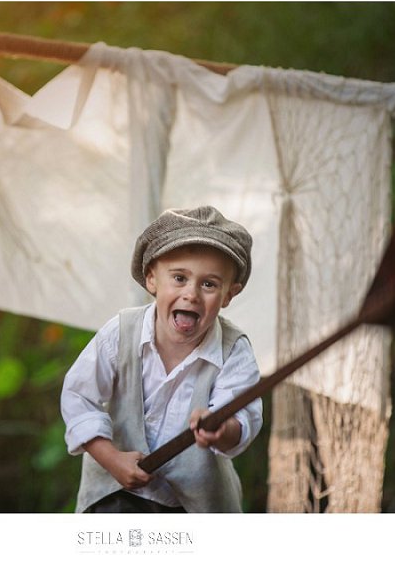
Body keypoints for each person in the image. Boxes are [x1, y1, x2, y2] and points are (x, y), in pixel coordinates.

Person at [60, 206, 263, 513]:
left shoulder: (233, 350)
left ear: (228, 295)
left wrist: (223, 428)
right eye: (179, 278)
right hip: (113, 493)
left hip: (193, 506)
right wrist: (111, 458)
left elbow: (243, 415)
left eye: (209, 284)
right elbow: (79, 396)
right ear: (152, 279)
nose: (191, 294)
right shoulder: (121, 332)